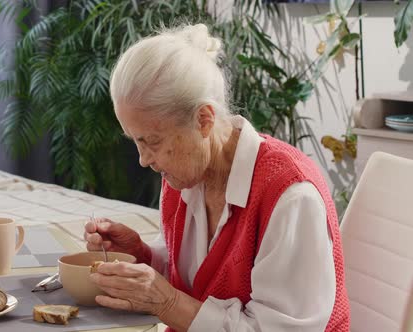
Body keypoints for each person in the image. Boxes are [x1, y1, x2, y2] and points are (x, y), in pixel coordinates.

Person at [83, 24, 349, 331]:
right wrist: (140, 255)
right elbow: (191, 276)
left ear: (204, 120)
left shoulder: (291, 195)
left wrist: (167, 303)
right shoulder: (184, 174)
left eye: (152, 141)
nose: (144, 160)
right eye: (135, 141)